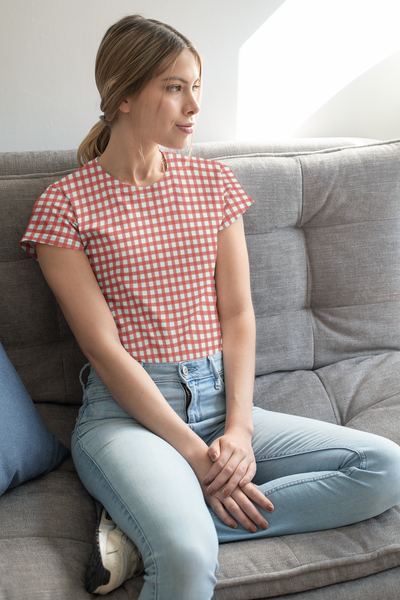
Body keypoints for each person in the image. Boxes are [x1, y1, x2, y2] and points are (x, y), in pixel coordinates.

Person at [20, 14, 400, 600]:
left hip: (223, 404)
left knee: (382, 469)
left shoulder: (213, 183)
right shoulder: (64, 205)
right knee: (186, 558)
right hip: (127, 419)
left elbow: (238, 315)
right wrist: (196, 455)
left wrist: (240, 430)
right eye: (174, 87)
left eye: (196, 86)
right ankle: (172, 530)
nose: (193, 105)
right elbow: (104, 349)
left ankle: (142, 532)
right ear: (122, 95)